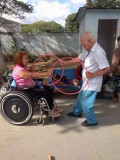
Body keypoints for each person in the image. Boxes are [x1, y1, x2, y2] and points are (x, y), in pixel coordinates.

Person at [67, 32, 110, 127]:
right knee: (80, 98)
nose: (82, 45)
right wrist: (64, 62)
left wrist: (93, 75)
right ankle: (76, 112)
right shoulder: (88, 50)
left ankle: (91, 121)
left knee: (86, 103)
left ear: (89, 41)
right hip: (86, 81)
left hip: (93, 83)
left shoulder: (99, 52)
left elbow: (107, 68)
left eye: (83, 43)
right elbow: (79, 59)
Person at [12, 50, 63, 117]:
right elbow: (31, 75)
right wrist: (46, 73)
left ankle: (51, 107)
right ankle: (50, 111)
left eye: (28, 58)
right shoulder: (20, 70)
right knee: (46, 91)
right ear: (19, 60)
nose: (28, 60)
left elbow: (29, 76)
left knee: (48, 88)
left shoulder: (21, 68)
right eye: (26, 58)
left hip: (30, 87)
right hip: (26, 90)